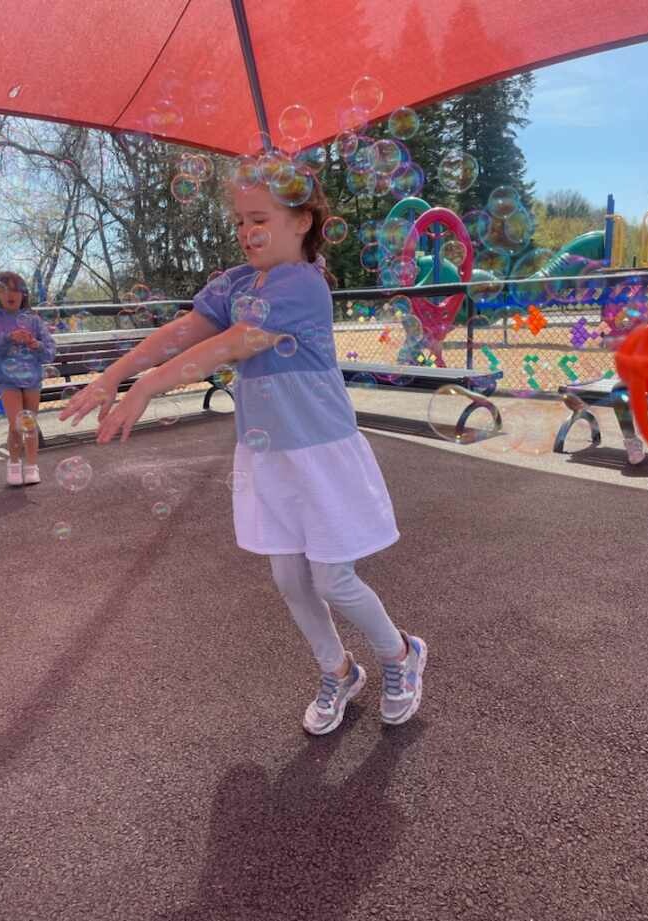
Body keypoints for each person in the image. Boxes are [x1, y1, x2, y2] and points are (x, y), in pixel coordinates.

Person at [59, 170, 428, 735]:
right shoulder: (234, 284)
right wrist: (112, 376)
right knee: (290, 580)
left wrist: (147, 387)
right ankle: (338, 669)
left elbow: (233, 343)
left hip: (321, 453)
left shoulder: (303, 284)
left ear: (302, 221)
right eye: (239, 222)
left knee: (332, 579)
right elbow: (185, 331)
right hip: (269, 457)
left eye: (260, 220)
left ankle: (399, 653)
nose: (247, 233)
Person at [0, 271, 56, 485]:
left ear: (23, 294)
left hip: (32, 379)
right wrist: (8, 337)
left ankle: (31, 466)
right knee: (16, 423)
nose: (10, 294)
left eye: (15, 289)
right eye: (4, 289)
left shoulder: (34, 321)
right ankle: (14, 464)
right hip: (7, 380)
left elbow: (50, 351)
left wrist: (35, 344)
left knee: (29, 424)